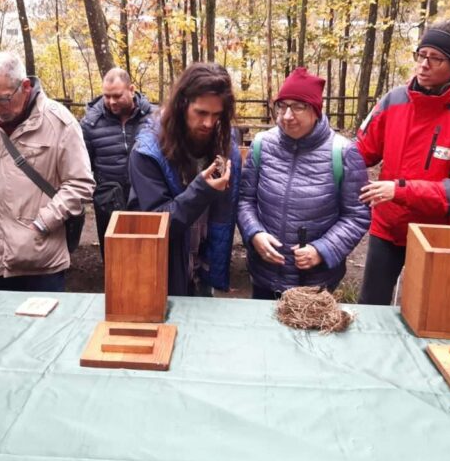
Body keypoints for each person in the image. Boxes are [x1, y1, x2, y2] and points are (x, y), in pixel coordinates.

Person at [356, 19, 450, 305]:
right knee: (371, 309)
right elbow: (360, 153)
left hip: (438, 236)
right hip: (387, 228)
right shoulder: (393, 100)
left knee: (427, 316)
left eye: (435, 58)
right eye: (421, 55)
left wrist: (401, 190)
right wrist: (324, 157)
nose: (424, 64)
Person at [0, 52, 94, 292]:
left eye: (2, 99)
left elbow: (80, 184)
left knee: (43, 329)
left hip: (41, 262)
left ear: (24, 86)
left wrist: (41, 225)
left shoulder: (59, 122)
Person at [237, 68, 370, 299]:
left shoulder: (343, 152)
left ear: (316, 111)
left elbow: (357, 215)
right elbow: (245, 200)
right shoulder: (262, 145)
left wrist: (323, 249)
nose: (287, 116)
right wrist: (254, 233)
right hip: (264, 275)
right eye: (282, 106)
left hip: (315, 283)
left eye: (298, 106)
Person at [128, 62, 241, 297]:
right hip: (165, 271)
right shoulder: (147, 152)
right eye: (201, 113)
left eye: (216, 115)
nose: (209, 123)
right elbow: (153, 225)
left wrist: (217, 277)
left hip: (206, 268)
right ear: (182, 105)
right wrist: (201, 190)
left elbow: (225, 215)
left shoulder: (225, 142)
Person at [81, 68, 153, 257]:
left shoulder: (154, 118)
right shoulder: (90, 124)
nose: (111, 101)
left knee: (147, 255)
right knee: (115, 259)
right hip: (108, 203)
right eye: (107, 96)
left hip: (147, 200)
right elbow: (83, 166)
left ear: (131, 89)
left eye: (117, 96)